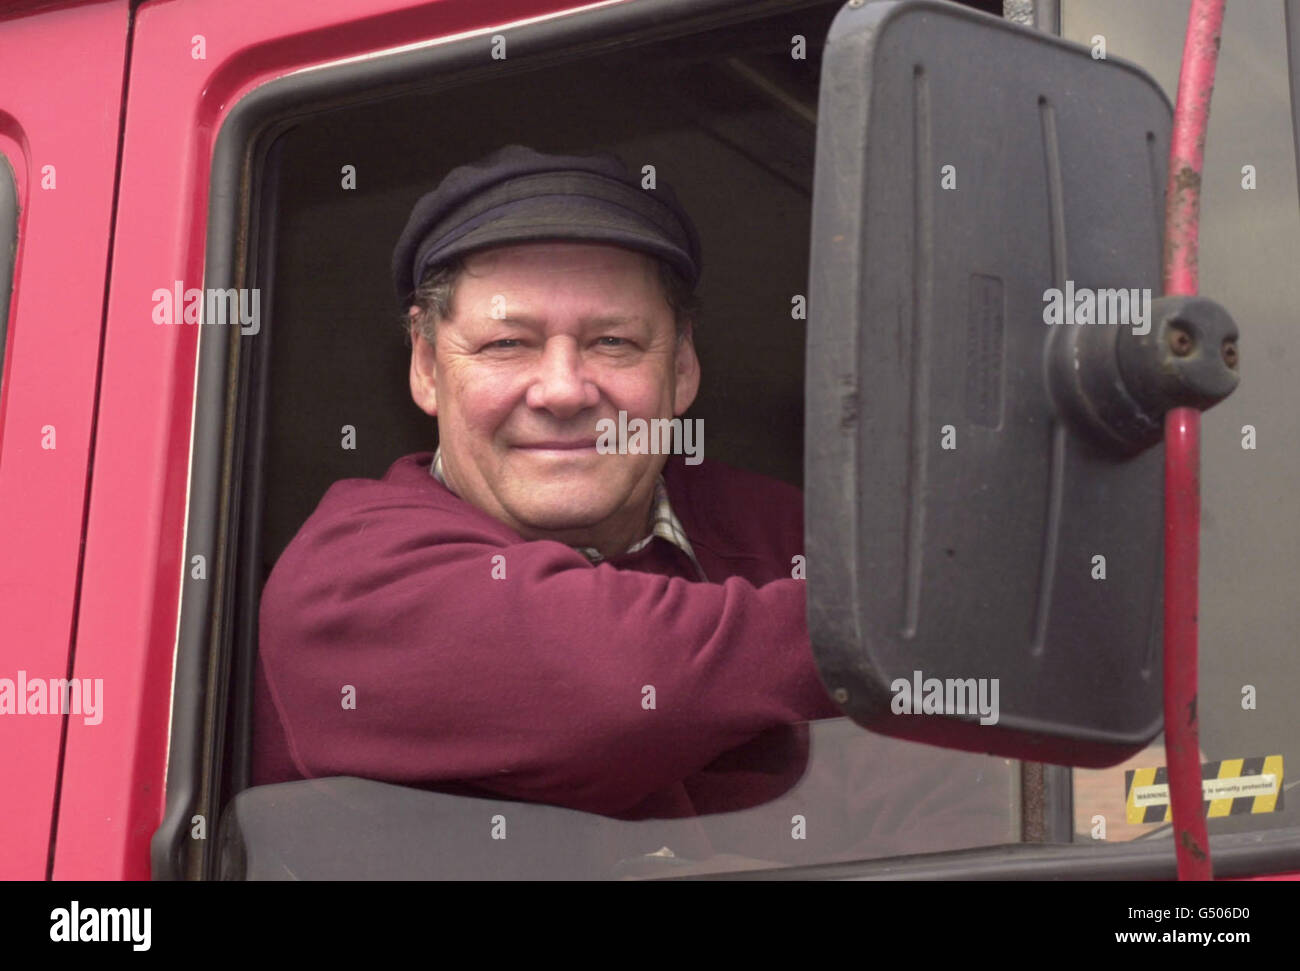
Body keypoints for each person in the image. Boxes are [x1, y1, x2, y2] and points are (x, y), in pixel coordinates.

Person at [251, 145, 843, 824]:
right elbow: (621, 688)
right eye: (507, 343)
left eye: (613, 342)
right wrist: (881, 631)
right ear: (425, 364)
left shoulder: (788, 536)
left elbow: (950, 806)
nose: (563, 390)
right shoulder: (348, 576)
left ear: (681, 365)